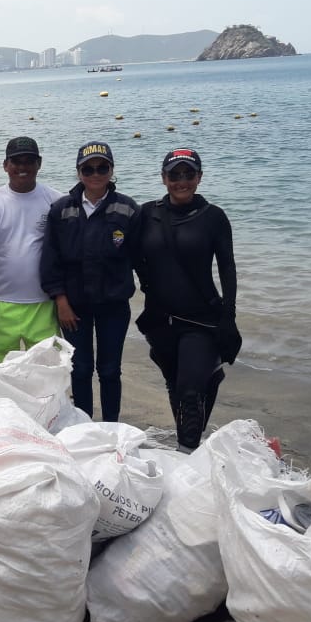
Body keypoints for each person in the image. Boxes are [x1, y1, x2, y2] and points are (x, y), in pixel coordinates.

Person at [133, 148, 237, 452]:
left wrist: (229, 315)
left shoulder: (214, 217)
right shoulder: (146, 214)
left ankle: (186, 453)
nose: (182, 181)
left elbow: (227, 268)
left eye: (188, 174)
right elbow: (127, 253)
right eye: (174, 174)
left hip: (201, 319)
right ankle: (189, 447)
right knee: (177, 386)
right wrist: (145, 285)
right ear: (164, 178)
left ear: (199, 177)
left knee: (191, 392)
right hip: (160, 320)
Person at [40, 141, 140, 421]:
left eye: (102, 167)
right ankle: (84, 426)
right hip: (74, 307)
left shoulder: (129, 209)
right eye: (88, 169)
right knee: (81, 368)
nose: (95, 174)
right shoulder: (61, 209)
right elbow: (50, 259)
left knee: (110, 371)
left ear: (111, 170)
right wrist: (60, 299)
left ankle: (111, 427)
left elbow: (142, 259)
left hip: (114, 306)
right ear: (79, 172)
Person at [0, 136, 60, 363]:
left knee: (47, 371)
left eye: (29, 161)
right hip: (0, 302)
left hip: (43, 303)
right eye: (16, 161)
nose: (22, 167)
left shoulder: (56, 200)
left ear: (39, 164)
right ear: (6, 165)